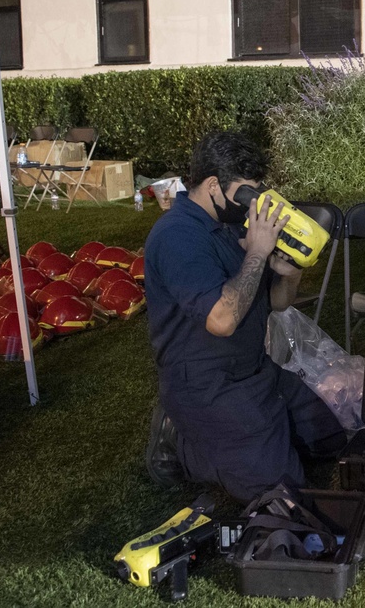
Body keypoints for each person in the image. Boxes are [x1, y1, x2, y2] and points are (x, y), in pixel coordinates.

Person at [143, 131, 346, 504]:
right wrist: (255, 254)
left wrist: (289, 269)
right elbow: (221, 320)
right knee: (281, 491)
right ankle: (185, 444)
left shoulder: (234, 225)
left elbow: (279, 302)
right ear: (212, 186)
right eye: (246, 193)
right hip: (205, 383)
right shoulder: (177, 237)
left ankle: (226, 439)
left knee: (331, 438)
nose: (251, 204)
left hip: (254, 369)